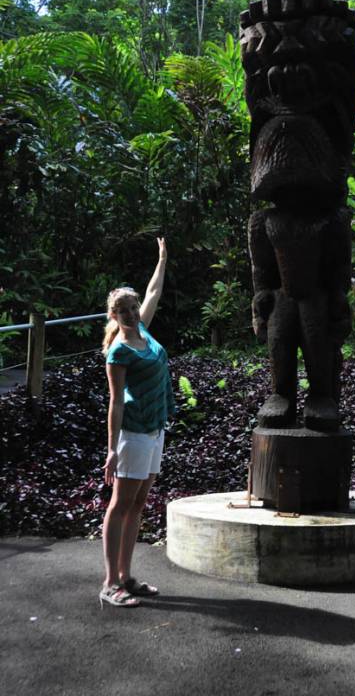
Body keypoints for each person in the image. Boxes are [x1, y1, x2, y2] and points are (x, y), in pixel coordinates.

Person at [99, 237, 175, 608]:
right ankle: (110, 581)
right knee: (120, 504)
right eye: (124, 311)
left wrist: (162, 258)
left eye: (133, 308)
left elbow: (154, 290)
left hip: (155, 428)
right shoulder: (119, 351)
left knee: (139, 502)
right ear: (114, 317)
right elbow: (115, 403)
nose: (131, 314)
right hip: (132, 433)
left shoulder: (144, 331)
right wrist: (112, 450)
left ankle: (127, 576)